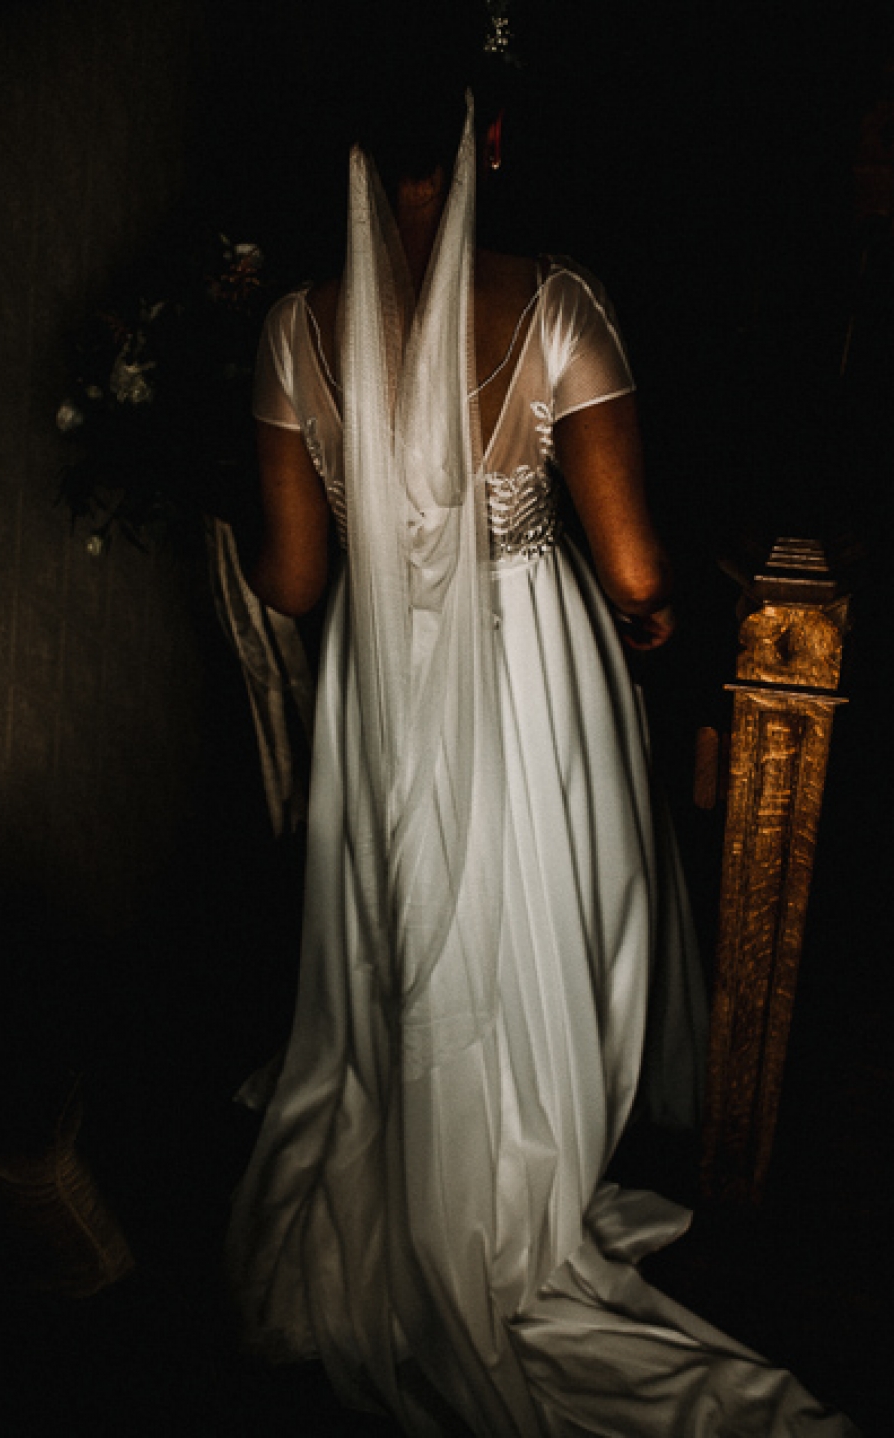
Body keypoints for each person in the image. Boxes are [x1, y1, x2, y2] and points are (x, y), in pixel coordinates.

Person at [225, 23, 860, 1436]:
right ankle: (531, 1154)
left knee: (406, 908)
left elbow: (292, 581)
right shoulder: (559, 304)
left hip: (377, 680)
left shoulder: (289, 332)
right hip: (527, 659)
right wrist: (647, 621)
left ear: (348, 159)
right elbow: (635, 567)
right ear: (488, 142)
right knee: (538, 891)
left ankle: (428, 1141)